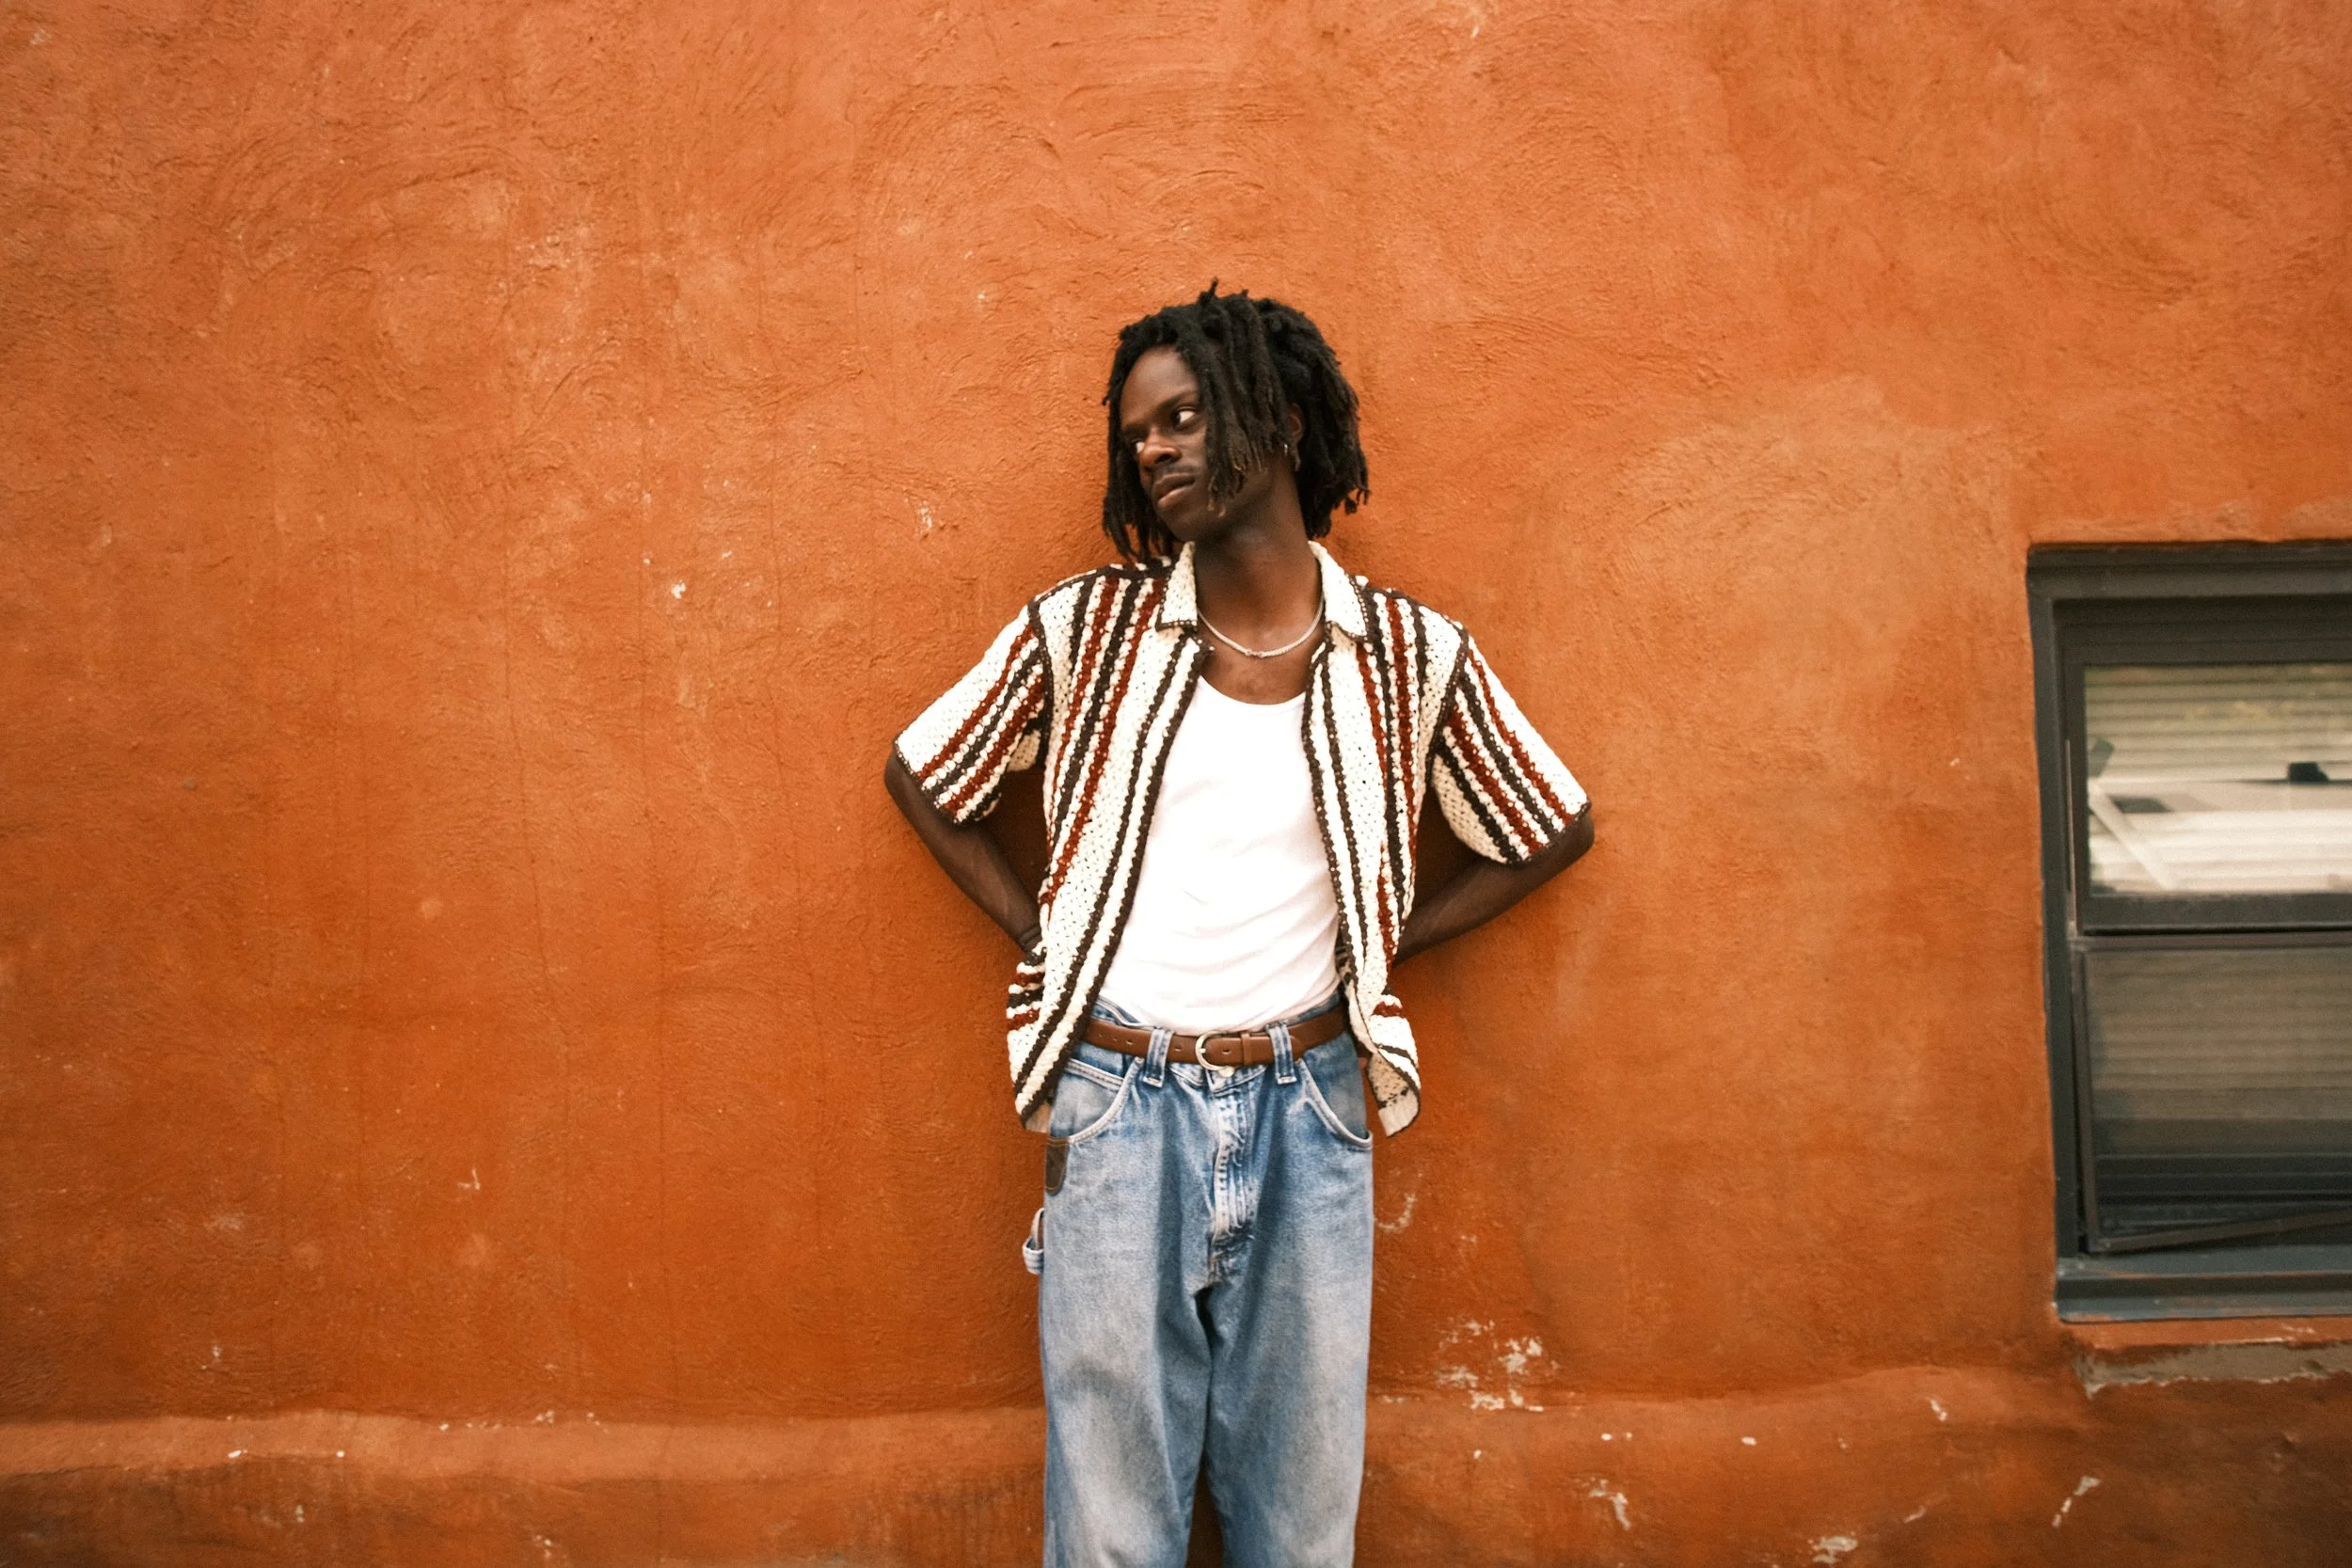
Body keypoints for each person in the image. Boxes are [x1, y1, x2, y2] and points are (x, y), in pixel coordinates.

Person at [883, 284, 1593, 1568]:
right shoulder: (1089, 633)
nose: (1152, 449)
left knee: (1298, 1519)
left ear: (1277, 420)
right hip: (1115, 1101)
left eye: (1186, 417)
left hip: (1313, 1102)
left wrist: (1386, 943)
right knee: (1110, 1525)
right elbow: (925, 773)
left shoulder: (1404, 658)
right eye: (1138, 433)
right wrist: (1049, 925)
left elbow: (1551, 822)